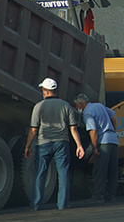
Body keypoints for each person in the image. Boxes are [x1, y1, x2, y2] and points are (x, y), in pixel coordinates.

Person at [25, 78, 85, 210]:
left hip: (43, 143)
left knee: (40, 173)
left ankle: (35, 204)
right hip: (62, 143)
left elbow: (33, 129)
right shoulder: (65, 106)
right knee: (63, 173)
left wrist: (28, 146)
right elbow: (73, 128)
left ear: (45, 91)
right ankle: (63, 204)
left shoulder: (39, 106)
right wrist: (79, 146)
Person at [74, 94, 119, 203]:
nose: (76, 108)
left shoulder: (87, 113)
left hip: (103, 142)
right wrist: (113, 130)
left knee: (100, 170)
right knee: (112, 170)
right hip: (113, 140)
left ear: (81, 104)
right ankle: (111, 195)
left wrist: (95, 148)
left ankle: (98, 195)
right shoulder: (99, 106)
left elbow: (93, 131)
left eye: (76, 106)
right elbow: (113, 116)